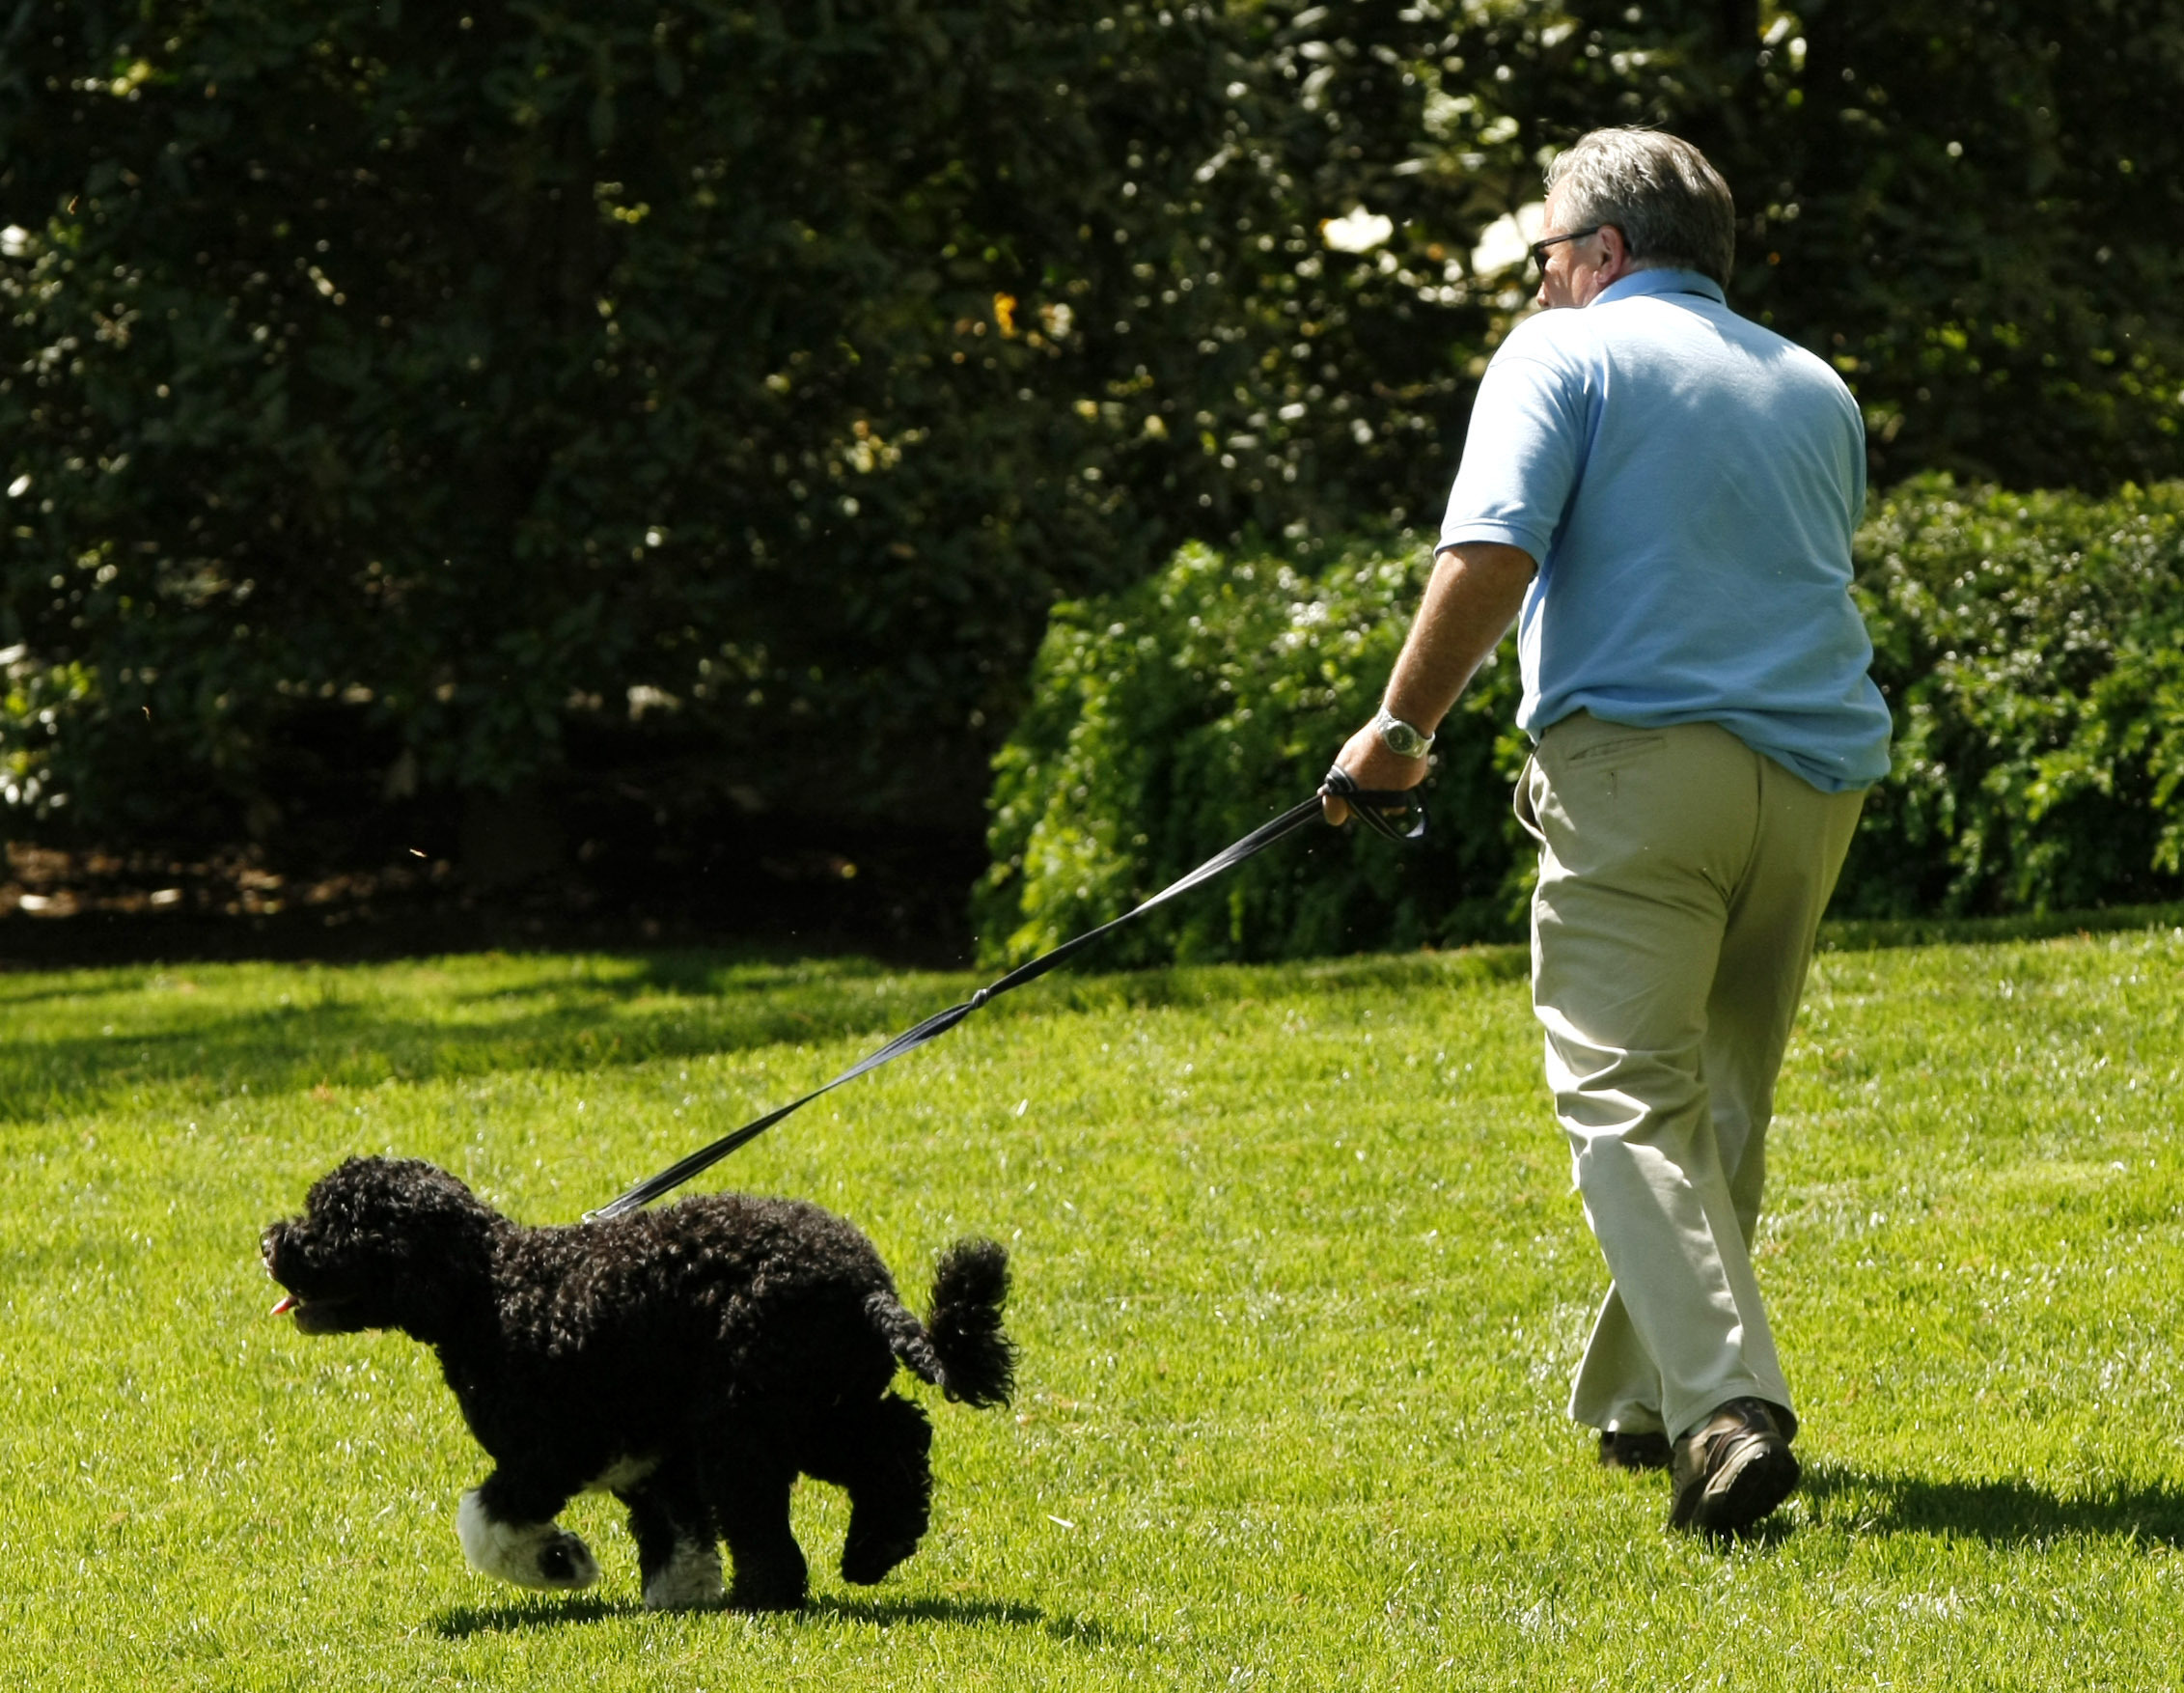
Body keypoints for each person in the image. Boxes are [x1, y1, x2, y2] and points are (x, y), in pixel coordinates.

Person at [1325, 127, 1892, 1536]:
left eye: (1542, 257)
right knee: (1719, 1096)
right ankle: (1649, 1403)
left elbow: (1494, 548)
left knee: (1624, 1097)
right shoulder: (1813, 384)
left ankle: (1725, 1410)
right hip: (1819, 781)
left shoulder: (1561, 356)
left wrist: (1396, 735)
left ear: (1603, 253)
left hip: (1645, 772)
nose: (1535, 286)